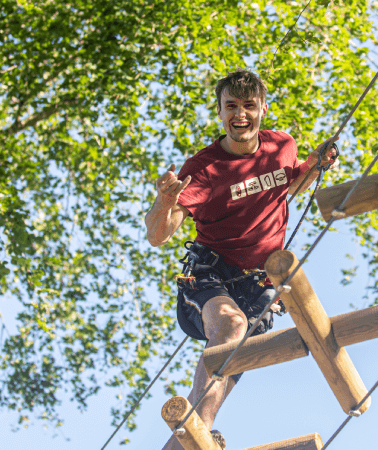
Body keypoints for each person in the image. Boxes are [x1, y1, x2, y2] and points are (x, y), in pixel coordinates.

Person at [145, 69, 338, 450]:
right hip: (212, 273)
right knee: (231, 327)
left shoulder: (282, 146)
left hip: (259, 284)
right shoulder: (203, 169)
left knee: (237, 352)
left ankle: (182, 443)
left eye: (249, 106)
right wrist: (164, 201)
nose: (240, 115)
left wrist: (316, 164)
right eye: (231, 106)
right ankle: (199, 429)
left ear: (263, 108)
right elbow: (158, 235)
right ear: (219, 111)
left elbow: (289, 186)